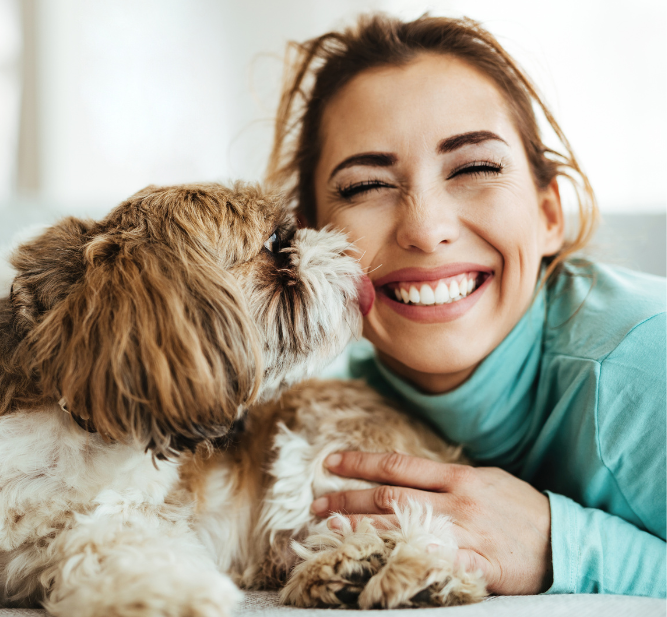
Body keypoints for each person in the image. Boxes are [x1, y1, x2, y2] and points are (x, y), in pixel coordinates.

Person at [265, 13, 666, 598]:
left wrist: (564, 546)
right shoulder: (327, 415)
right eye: (365, 187)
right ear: (309, 241)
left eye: (476, 168)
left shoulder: (644, 371)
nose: (425, 230)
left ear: (551, 214)